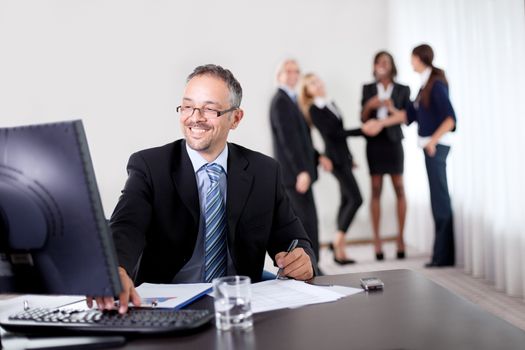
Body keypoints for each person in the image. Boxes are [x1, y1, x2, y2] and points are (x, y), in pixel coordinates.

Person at [89, 64, 316, 313]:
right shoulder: (150, 167)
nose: (195, 117)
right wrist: (116, 269)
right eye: (187, 106)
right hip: (168, 307)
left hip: (238, 307)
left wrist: (303, 258)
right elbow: (126, 225)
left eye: (209, 109)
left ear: (236, 118)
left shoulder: (264, 171)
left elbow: (293, 239)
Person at [389, 44, 456, 267]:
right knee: (438, 200)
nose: (411, 63)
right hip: (431, 148)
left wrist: (433, 142)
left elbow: (450, 119)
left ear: (419, 58)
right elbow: (408, 116)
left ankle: (443, 257)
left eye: (412, 59)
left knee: (440, 200)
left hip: (436, 148)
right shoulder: (425, 85)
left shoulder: (436, 84)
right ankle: (441, 255)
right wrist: (383, 115)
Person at [269, 59, 331, 265]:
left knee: (310, 222)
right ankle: (310, 267)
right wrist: (301, 171)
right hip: (295, 176)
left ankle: (314, 265)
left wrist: (317, 156)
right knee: (304, 224)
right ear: (279, 75)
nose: (294, 75)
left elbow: (302, 139)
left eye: (297, 71)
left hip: (301, 172)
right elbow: (288, 142)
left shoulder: (292, 100)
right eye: (289, 71)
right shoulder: (280, 102)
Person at [298, 73, 364, 265]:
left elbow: (340, 135)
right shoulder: (313, 109)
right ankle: (337, 242)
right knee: (356, 199)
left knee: (346, 200)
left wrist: (350, 157)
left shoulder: (329, 103)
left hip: (343, 158)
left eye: (318, 81)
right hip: (334, 160)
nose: (318, 85)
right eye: (312, 84)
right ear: (307, 91)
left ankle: (339, 251)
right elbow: (333, 134)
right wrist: (362, 130)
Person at [360, 51, 411, 261]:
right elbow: (362, 118)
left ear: (391, 66)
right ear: (374, 66)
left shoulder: (402, 89)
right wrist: (369, 106)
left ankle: (400, 238)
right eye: (378, 62)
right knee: (375, 189)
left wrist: (391, 107)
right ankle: (377, 240)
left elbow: (406, 117)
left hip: (393, 142)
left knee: (399, 187)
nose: (382, 65)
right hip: (374, 144)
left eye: (385, 62)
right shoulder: (368, 88)